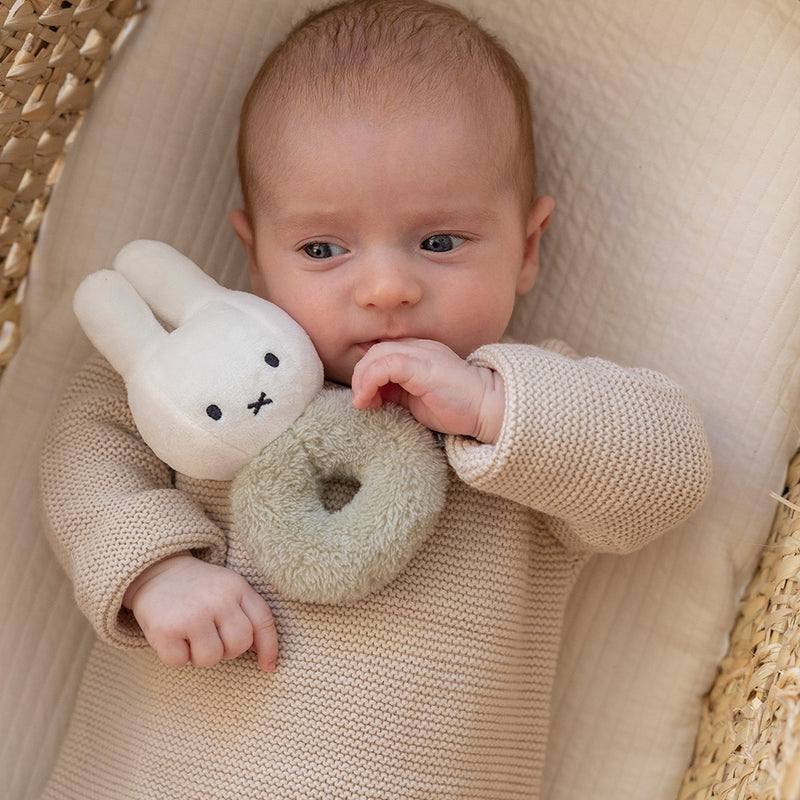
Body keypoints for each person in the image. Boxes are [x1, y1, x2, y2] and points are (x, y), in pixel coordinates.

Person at [38, 1, 712, 797]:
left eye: (439, 242)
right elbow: (85, 444)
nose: (387, 287)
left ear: (527, 249)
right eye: (323, 249)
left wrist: (495, 407)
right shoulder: (210, 381)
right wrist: (152, 569)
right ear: (256, 258)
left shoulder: (525, 413)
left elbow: (672, 470)